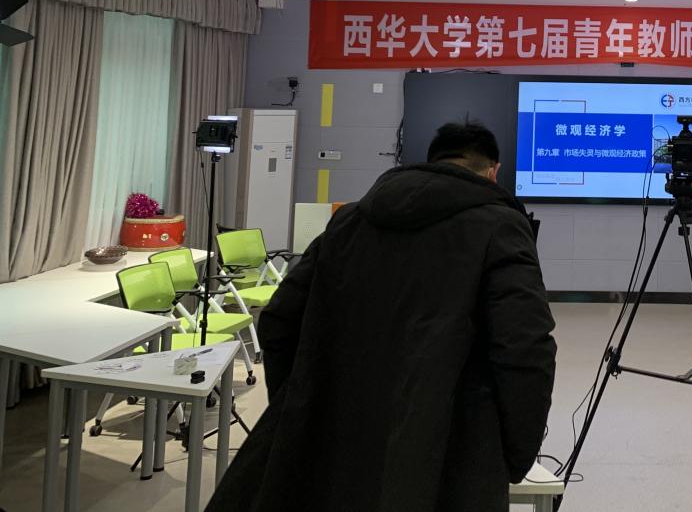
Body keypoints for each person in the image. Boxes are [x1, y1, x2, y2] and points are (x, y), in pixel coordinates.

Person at [206, 121, 557, 512]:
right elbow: (525, 348)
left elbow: (278, 322)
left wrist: (305, 406)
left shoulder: (348, 221)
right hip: (444, 456)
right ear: (493, 171)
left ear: (432, 162)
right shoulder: (501, 227)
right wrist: (515, 453)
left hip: (334, 449)